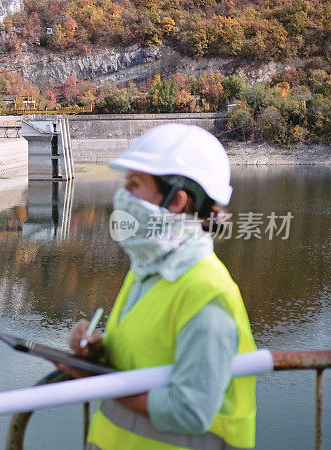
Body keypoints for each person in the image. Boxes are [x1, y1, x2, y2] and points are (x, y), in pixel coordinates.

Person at [59, 124, 257, 449]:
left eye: (134, 184)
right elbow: (148, 356)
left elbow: (191, 412)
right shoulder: (145, 270)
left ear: (176, 201)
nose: (122, 195)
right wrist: (99, 351)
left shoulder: (207, 293)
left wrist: (97, 382)